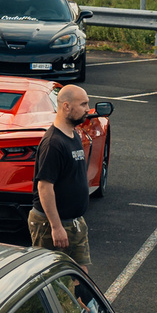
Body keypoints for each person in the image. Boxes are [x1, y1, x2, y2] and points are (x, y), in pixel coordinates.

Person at [30, 85, 94, 268]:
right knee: (54, 279)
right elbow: (44, 187)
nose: (87, 109)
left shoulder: (73, 135)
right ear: (66, 106)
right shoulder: (53, 143)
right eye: (83, 104)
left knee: (80, 277)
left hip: (75, 222)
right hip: (52, 225)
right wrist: (56, 227)